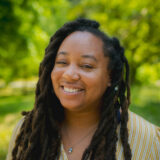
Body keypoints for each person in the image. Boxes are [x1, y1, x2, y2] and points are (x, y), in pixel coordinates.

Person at [6, 18, 160, 160]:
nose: (70, 74)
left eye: (86, 66)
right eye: (62, 62)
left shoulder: (147, 140)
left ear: (110, 77)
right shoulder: (28, 132)